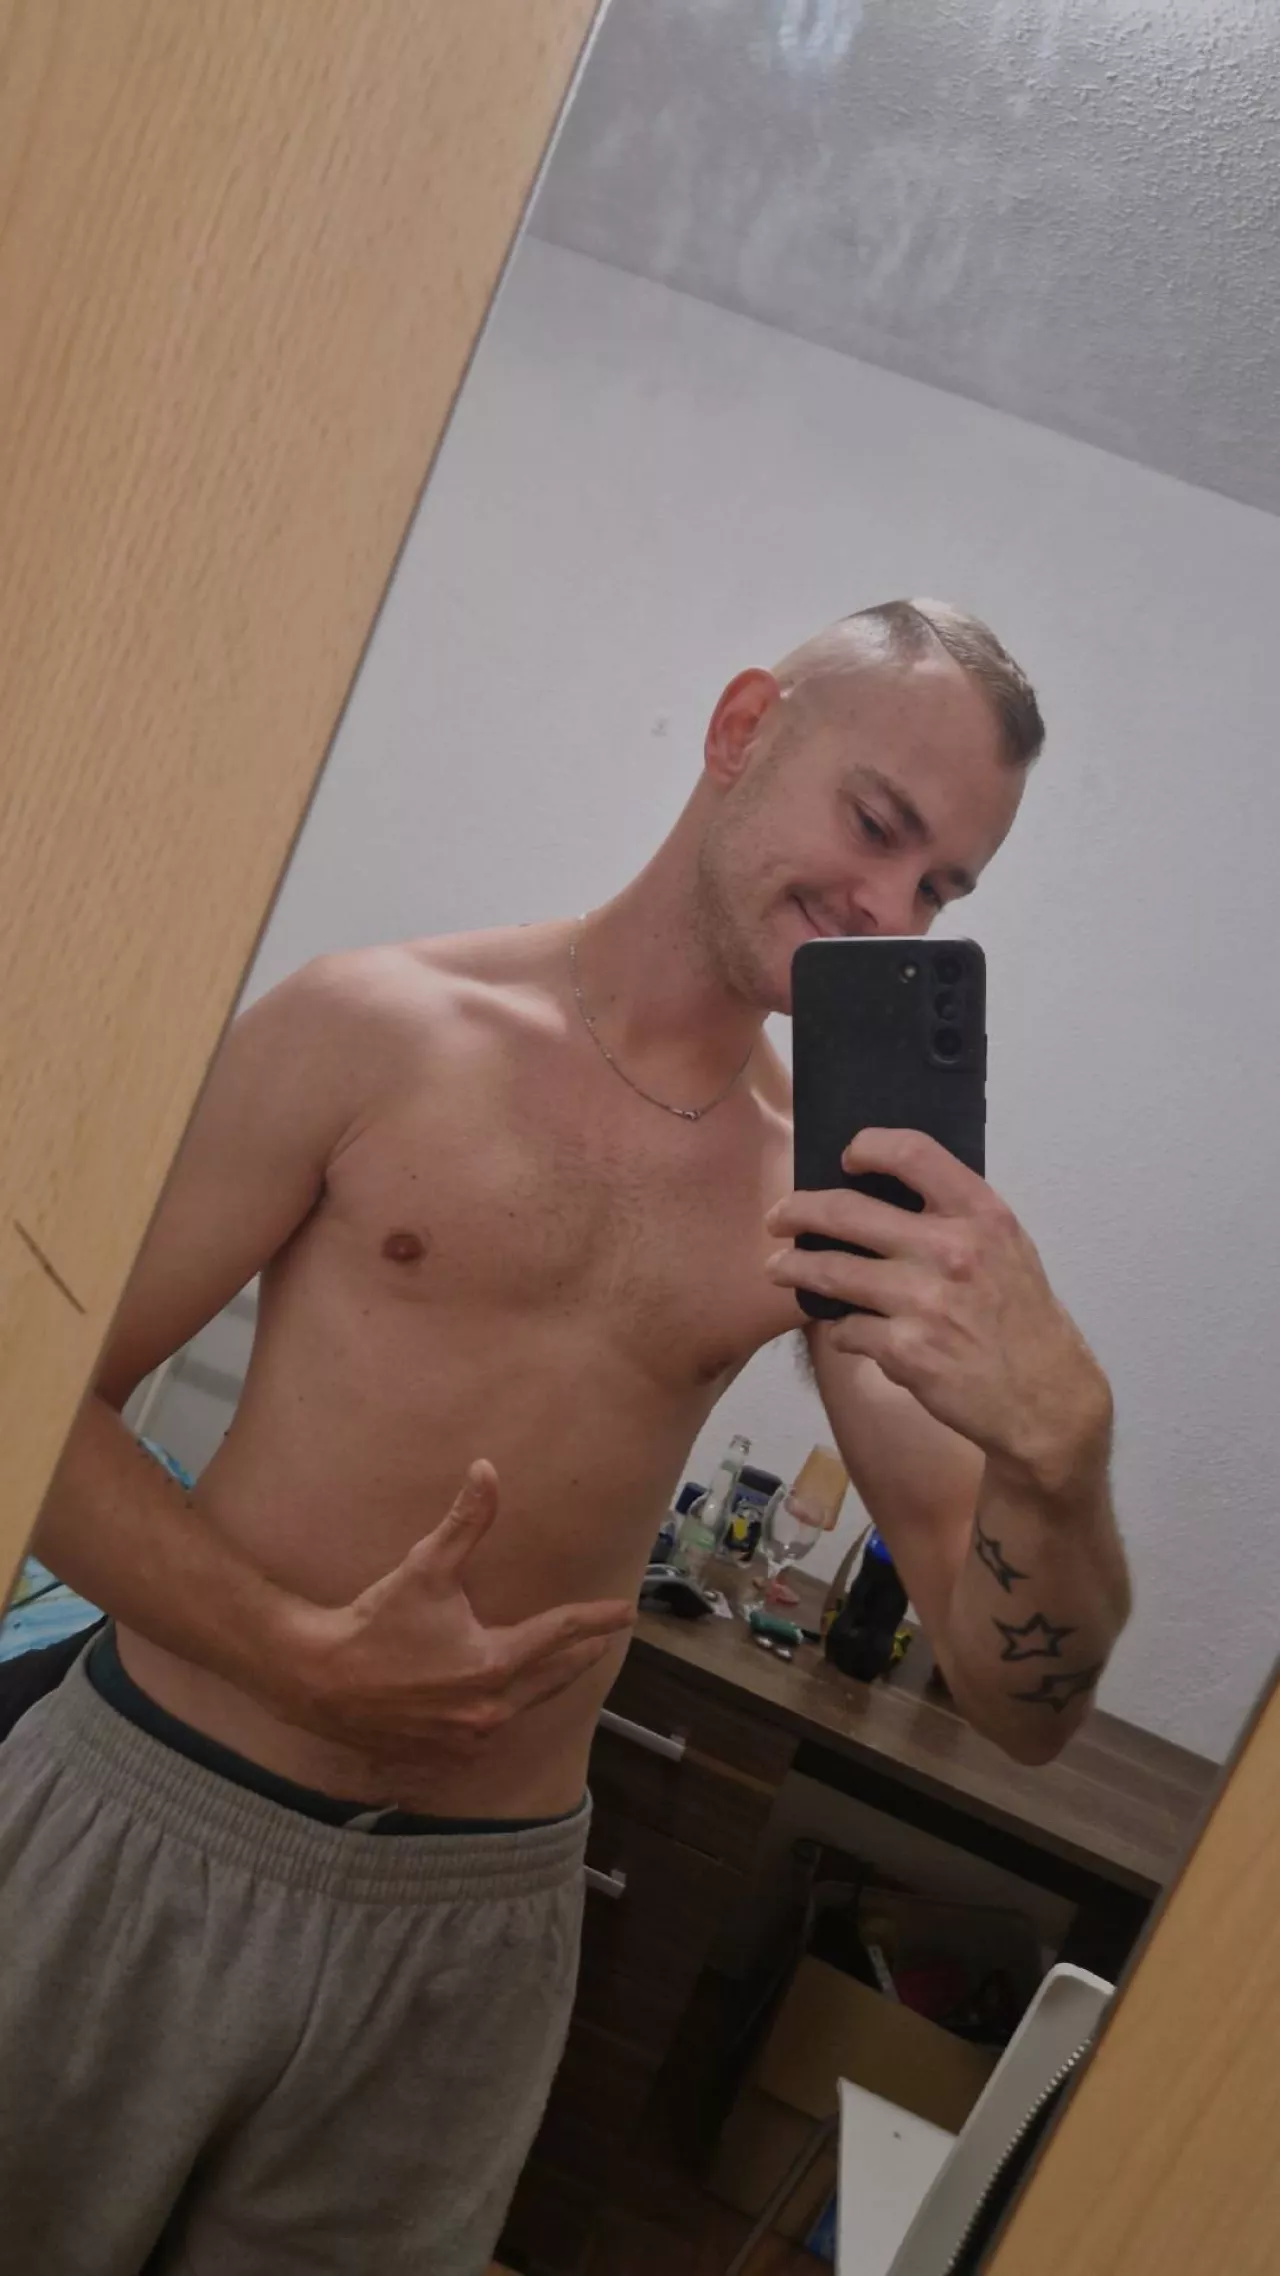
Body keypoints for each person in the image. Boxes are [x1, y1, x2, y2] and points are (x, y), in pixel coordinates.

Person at [0, 600, 1130, 2275]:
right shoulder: (376, 1026)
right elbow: (33, 1410)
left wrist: (1063, 1458)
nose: (888, 909)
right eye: (876, 824)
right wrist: (295, 1657)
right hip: (158, 1816)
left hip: (467, 1934)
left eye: (941, 891)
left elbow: (1018, 1699)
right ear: (743, 729)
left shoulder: (827, 1208)